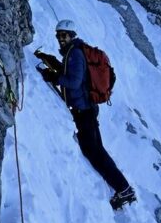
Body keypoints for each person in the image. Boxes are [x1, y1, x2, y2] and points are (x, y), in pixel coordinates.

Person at [36, 19, 136, 210]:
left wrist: (53, 76)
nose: (60, 39)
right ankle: (124, 187)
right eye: (58, 35)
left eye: (63, 35)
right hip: (87, 108)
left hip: (83, 110)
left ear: (72, 35)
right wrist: (48, 60)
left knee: (94, 151)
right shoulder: (76, 51)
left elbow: (73, 82)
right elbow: (73, 74)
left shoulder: (75, 54)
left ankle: (124, 189)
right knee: (98, 148)